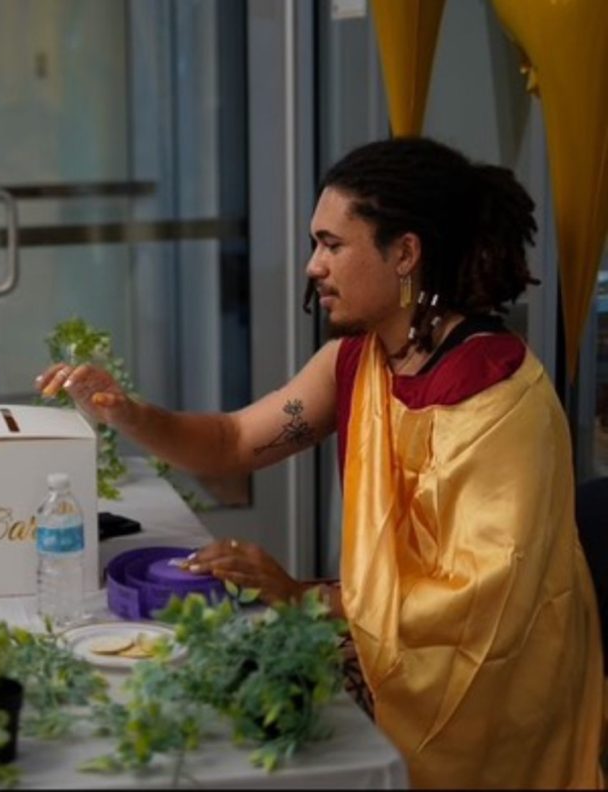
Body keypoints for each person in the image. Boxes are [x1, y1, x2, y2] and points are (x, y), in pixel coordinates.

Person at [37, 137, 603, 788]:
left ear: (405, 254)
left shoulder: (498, 397)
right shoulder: (359, 361)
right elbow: (230, 443)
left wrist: (302, 597)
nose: (312, 266)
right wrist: (127, 412)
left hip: (488, 706)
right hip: (385, 648)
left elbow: (479, 606)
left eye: (332, 244)